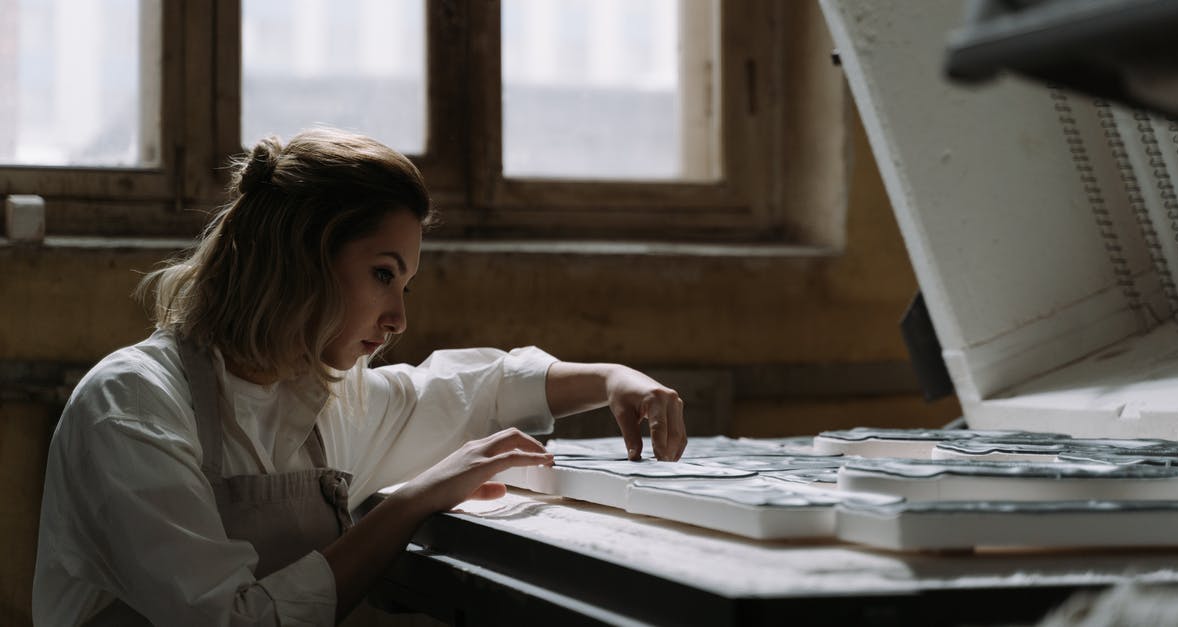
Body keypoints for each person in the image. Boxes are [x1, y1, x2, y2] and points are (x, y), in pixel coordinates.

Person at [32, 128, 687, 626]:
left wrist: (611, 378)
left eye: (405, 282)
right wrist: (409, 503)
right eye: (383, 274)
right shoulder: (131, 407)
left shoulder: (319, 397)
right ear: (301, 259)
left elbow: (476, 388)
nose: (399, 316)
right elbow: (237, 618)